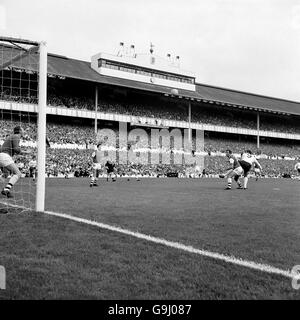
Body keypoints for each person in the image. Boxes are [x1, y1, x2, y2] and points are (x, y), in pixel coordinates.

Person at [0, 126, 30, 198]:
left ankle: (5, 189)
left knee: (5, 174)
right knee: (18, 173)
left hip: (2, 156)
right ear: (19, 131)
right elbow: (16, 149)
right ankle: (6, 190)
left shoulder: (12, 136)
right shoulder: (16, 136)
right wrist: (26, 152)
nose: (24, 131)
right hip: (4, 156)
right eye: (23, 130)